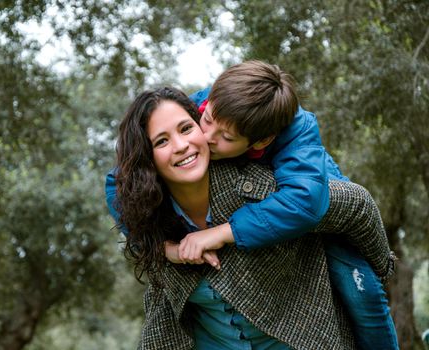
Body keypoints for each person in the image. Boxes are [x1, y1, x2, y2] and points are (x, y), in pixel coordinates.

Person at [106, 86, 394, 349]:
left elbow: (352, 203)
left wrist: (382, 267)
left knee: (362, 290)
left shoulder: (270, 181)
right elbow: (123, 205)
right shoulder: (149, 210)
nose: (182, 145)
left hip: (306, 195)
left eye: (185, 128)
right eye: (162, 141)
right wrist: (169, 251)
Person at [178, 60, 398, 349]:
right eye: (207, 120)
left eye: (227, 137)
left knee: (363, 293)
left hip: (326, 222)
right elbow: (120, 181)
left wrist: (219, 233)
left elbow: (304, 202)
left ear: (262, 141)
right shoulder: (204, 103)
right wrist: (165, 248)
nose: (207, 138)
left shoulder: (299, 128)